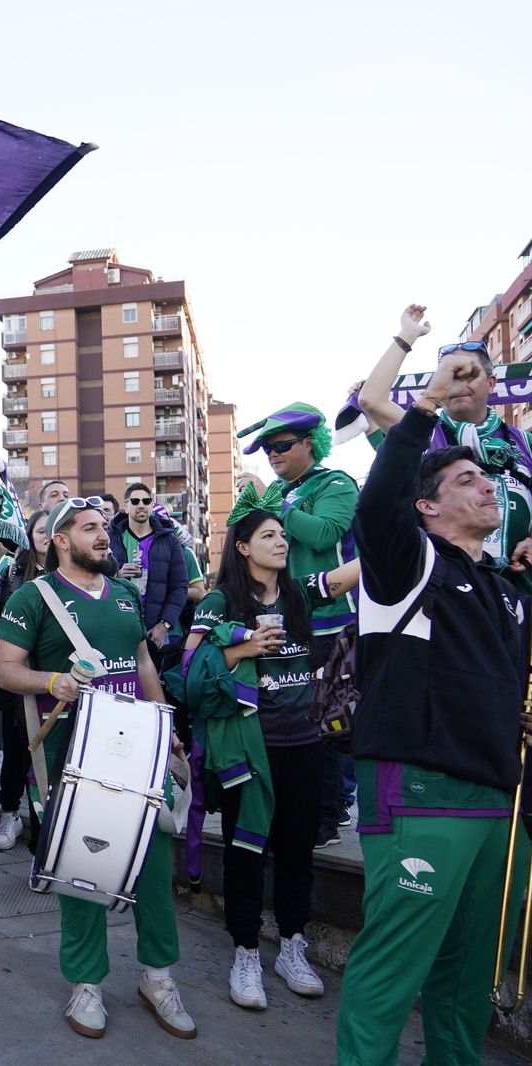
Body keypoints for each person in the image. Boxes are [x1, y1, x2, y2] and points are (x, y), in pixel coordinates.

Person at [336, 355, 531, 1065]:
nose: (486, 487)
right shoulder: (406, 563)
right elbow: (376, 500)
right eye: (466, 481)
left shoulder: (508, 591)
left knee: (464, 984)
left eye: (488, 480)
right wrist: (424, 411)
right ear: (426, 506)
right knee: (393, 973)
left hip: (493, 804)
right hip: (420, 793)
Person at [0, 496, 193, 1041]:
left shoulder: (126, 595)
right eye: (90, 529)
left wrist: (164, 726)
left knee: (153, 862)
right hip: (73, 750)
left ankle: (158, 976)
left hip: (134, 746)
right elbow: (7, 670)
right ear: (61, 540)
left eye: (104, 527)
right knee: (83, 866)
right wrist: (52, 682)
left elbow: (144, 663)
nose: (103, 535)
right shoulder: (32, 598)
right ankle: (86, 983)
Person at [180, 508, 361, 1010]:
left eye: (283, 535)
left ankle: (292, 946)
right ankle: (244, 952)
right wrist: (242, 648)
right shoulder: (221, 601)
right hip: (248, 748)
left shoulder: (299, 593)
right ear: (242, 547)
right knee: (245, 851)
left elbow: (355, 570)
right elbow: (191, 670)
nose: (282, 542)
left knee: (298, 850)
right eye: (269, 536)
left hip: (304, 742)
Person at [235, 403, 358, 851]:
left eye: (282, 445)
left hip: (333, 622)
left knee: (328, 723)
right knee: (295, 719)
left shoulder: (336, 483)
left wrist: (277, 506)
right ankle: (304, 810)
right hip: (290, 621)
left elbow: (326, 534)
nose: (273, 455)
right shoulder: (284, 495)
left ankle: (328, 813)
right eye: (268, 448)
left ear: (312, 443)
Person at [358, 303, 532, 589]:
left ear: (491, 383)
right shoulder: (426, 431)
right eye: (451, 375)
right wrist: (407, 335)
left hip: (520, 593)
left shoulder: (523, 442)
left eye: (468, 375)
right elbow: (371, 400)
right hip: (448, 590)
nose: (459, 384)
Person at [0, 508, 50, 852]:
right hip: (17, 673)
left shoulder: (68, 570)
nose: (43, 534)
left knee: (48, 753)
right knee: (15, 751)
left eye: (49, 529)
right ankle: (9, 813)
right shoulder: (13, 569)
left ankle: (45, 824)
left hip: (54, 674)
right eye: (38, 529)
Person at [108, 484, 188, 659]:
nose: (141, 505)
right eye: (135, 501)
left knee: (155, 683)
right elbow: (94, 578)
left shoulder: (169, 541)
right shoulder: (110, 538)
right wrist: (117, 575)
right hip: (118, 627)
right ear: (126, 506)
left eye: (146, 501)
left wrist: (164, 625)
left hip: (155, 631)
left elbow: (180, 587)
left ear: (152, 505)